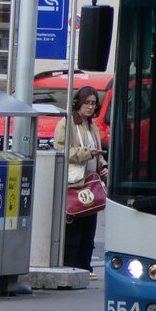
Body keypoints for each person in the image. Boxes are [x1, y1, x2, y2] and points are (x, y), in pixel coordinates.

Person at [54, 86, 106, 275]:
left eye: (94, 103)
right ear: (78, 103)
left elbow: (97, 152)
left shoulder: (92, 126)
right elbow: (61, 150)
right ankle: (71, 265)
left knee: (88, 229)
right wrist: (86, 153)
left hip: (91, 183)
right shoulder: (67, 123)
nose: (91, 107)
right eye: (87, 103)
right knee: (74, 228)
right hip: (75, 184)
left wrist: (103, 165)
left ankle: (85, 266)